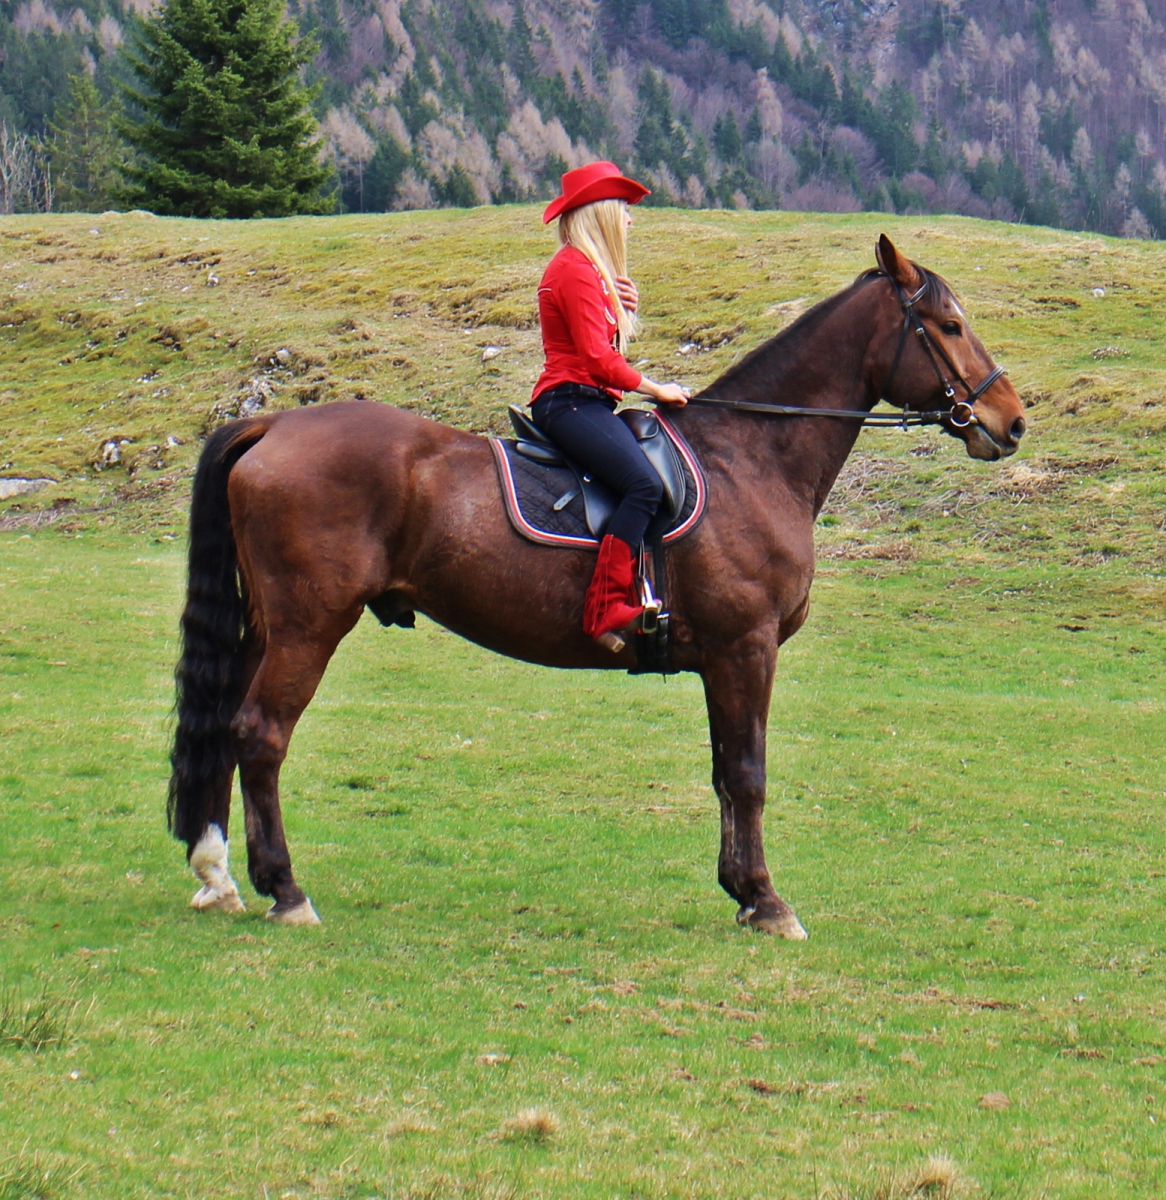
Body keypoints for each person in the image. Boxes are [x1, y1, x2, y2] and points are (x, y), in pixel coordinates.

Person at [531, 160, 689, 650]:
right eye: (622, 208)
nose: (629, 219)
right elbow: (597, 361)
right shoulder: (575, 270)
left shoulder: (587, 272)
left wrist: (619, 311)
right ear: (600, 214)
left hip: (587, 401)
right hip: (570, 402)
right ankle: (604, 606)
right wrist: (655, 388)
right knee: (643, 485)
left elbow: (600, 349)